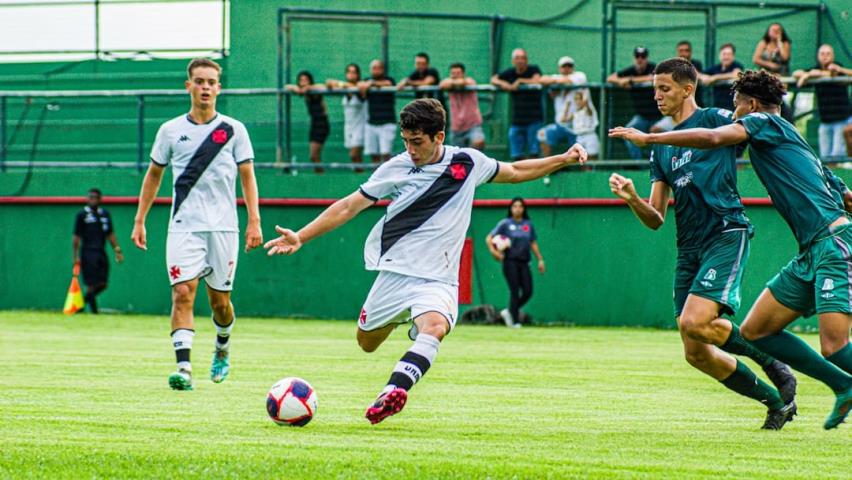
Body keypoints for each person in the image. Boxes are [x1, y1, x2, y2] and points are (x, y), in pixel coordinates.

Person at [264, 98, 587, 424]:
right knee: (366, 343)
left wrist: (563, 158)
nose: (411, 149)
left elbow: (516, 171)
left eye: (417, 141)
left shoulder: (467, 163)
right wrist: (301, 236)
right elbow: (349, 206)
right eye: (405, 141)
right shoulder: (396, 167)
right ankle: (404, 318)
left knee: (434, 328)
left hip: (438, 278)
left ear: (439, 136)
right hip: (395, 274)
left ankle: (392, 391)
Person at [610, 69, 852, 429]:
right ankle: (837, 386)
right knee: (755, 331)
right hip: (807, 250)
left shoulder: (761, 121)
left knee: (834, 345)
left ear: (751, 105)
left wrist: (649, 137)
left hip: (822, 242)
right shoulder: (789, 146)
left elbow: (712, 136)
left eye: (736, 103)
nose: (732, 110)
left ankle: (833, 382)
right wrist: (634, 193)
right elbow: (845, 195)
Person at [130, 58, 263, 391]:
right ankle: (184, 368)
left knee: (220, 303)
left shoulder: (234, 130)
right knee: (182, 293)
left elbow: (248, 177)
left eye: (211, 82)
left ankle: (222, 345)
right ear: (188, 85)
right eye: (199, 81)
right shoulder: (170, 131)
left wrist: (254, 222)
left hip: (223, 228)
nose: (205, 87)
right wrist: (140, 219)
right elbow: (154, 176)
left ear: (219, 87)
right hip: (183, 227)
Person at [486, 197, 545, 328]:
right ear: (511, 208)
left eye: (520, 206)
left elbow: (533, 243)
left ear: (524, 209)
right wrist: (494, 252)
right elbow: (489, 238)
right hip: (510, 261)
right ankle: (515, 321)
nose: (517, 209)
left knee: (528, 291)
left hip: (524, 262)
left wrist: (540, 259)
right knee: (514, 291)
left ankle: (509, 312)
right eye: (515, 206)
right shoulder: (505, 224)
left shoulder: (527, 224)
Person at [607, 47, 668, 159]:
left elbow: (653, 77)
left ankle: (663, 163)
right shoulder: (630, 70)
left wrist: (631, 80)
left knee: (665, 137)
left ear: (646, 58)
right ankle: (638, 163)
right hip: (642, 117)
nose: (640, 59)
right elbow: (610, 78)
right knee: (628, 132)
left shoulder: (653, 68)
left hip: (660, 115)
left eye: (643, 57)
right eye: (637, 56)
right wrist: (620, 81)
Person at [793, 44, 852, 158]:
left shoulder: (838, 69)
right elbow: (796, 73)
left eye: (828, 54)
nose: (825, 57)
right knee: (825, 158)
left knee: (837, 157)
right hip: (825, 122)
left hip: (842, 120)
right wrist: (809, 74)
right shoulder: (814, 70)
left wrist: (813, 75)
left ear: (833, 56)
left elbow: (836, 74)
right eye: (822, 54)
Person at [72, 188, 124, 314]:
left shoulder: (105, 214)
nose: (93, 200)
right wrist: (76, 256)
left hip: (101, 251)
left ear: (100, 199)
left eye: (96, 197)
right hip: (87, 252)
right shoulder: (82, 215)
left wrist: (117, 250)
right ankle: (94, 312)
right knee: (91, 283)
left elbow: (110, 234)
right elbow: (76, 237)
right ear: (87, 198)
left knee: (103, 283)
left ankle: (81, 305)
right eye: (91, 197)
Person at [491, 48, 544, 160]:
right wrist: (505, 84)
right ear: (513, 61)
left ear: (527, 60)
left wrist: (520, 81)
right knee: (517, 153)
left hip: (534, 119)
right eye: (517, 58)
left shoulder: (533, 69)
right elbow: (494, 80)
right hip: (517, 120)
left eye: (523, 58)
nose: (520, 61)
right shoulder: (510, 72)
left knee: (534, 152)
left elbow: (537, 80)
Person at [538, 56, 586, 156]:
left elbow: (567, 81)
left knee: (581, 152)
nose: (567, 68)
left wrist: (555, 81)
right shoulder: (557, 78)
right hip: (560, 125)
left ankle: (584, 171)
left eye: (569, 66)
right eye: (564, 66)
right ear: (560, 68)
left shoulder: (579, 76)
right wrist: (556, 81)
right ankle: (548, 169)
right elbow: (542, 80)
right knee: (542, 134)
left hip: (578, 125)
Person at [286, 70, 329, 173]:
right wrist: (297, 88)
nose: (303, 82)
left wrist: (308, 87)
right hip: (314, 124)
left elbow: (323, 87)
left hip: (322, 123)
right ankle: (319, 175)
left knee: (314, 155)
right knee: (313, 157)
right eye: (301, 80)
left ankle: (321, 176)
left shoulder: (314, 90)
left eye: (306, 80)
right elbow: (286, 87)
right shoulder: (302, 91)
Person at [327, 63, 367, 167]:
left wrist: (341, 84)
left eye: (354, 72)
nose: (351, 75)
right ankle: (360, 178)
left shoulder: (360, 87)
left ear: (358, 75)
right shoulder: (344, 89)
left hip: (360, 127)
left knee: (354, 154)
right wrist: (338, 84)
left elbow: (356, 88)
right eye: (349, 72)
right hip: (348, 127)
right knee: (355, 158)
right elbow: (329, 83)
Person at [439, 62, 485, 150]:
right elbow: (442, 84)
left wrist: (454, 83)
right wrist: (453, 83)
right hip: (456, 128)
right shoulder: (448, 83)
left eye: (458, 73)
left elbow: (462, 82)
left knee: (478, 142)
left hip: (473, 125)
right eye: (453, 73)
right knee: (457, 156)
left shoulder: (470, 82)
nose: (455, 75)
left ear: (463, 74)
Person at [358, 60, 396, 163]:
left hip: (387, 123)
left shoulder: (389, 80)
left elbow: (388, 84)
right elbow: (361, 95)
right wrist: (362, 85)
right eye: (374, 68)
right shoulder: (366, 81)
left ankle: (387, 177)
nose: (376, 70)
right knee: (373, 154)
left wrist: (371, 83)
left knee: (386, 154)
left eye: (378, 68)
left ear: (383, 69)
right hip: (372, 124)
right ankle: (376, 177)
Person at [701, 43, 744, 110]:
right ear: (719, 55)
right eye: (724, 54)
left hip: (733, 108)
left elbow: (737, 74)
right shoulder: (716, 68)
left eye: (729, 54)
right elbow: (700, 75)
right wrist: (706, 78)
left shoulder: (736, 66)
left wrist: (715, 78)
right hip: (718, 107)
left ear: (733, 56)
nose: (726, 57)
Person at [564, 88, 600, 160]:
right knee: (581, 158)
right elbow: (563, 120)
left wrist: (585, 92)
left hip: (590, 135)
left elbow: (587, 101)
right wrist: (567, 106)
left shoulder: (589, 109)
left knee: (592, 157)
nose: (578, 101)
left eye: (579, 99)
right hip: (579, 137)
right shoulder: (575, 112)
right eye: (576, 99)